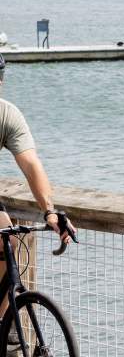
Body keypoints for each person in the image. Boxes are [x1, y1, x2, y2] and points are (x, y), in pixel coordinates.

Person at [0, 52, 76, 265]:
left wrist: (50, 212)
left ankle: (9, 300)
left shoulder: (7, 115)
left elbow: (32, 165)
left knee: (8, 242)